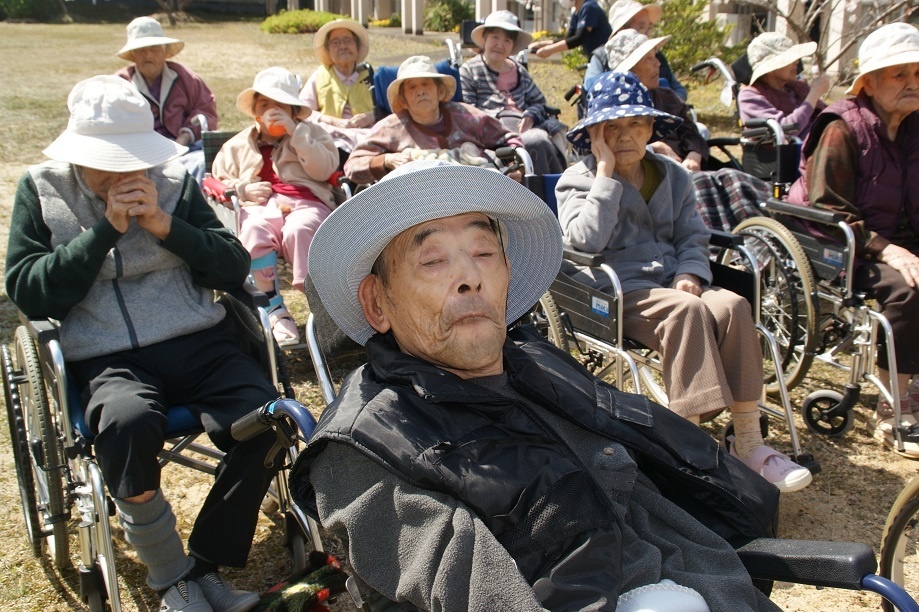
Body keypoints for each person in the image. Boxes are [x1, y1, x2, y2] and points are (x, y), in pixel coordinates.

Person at [293, 159, 783, 610]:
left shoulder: (536, 361)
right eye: (432, 261)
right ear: (377, 303)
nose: (470, 277)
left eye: (485, 251)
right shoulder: (362, 451)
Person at [5, 75, 280, 612]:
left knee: (266, 420)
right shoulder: (42, 189)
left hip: (197, 339)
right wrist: (103, 231)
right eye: (109, 161)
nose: (126, 172)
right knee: (126, 424)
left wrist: (164, 225)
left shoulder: (173, 181)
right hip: (104, 353)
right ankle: (170, 579)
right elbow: (30, 293)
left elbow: (231, 265)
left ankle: (202, 564)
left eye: (133, 159)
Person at [558, 72, 812, 492]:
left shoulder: (673, 176)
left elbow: (693, 236)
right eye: (612, 127)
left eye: (635, 124)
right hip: (618, 291)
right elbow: (584, 241)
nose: (625, 136)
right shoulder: (578, 179)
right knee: (688, 310)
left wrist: (690, 272)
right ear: (594, 134)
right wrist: (605, 176)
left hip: (674, 281)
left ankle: (747, 440)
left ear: (650, 128)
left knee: (732, 304)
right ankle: (686, 446)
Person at [785, 22, 919, 457]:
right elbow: (830, 211)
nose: (912, 85)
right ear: (870, 82)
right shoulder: (842, 128)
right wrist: (891, 249)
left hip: (898, 237)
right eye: (900, 75)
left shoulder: (916, 127)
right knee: (906, 289)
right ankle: (893, 408)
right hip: (842, 244)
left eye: (918, 75)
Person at [211, 67, 339, 347]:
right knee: (254, 227)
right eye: (264, 105)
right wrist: (242, 188)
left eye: (280, 105)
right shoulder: (238, 145)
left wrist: (296, 134)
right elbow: (216, 179)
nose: (272, 111)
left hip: (305, 201)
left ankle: (321, 307)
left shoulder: (312, 134)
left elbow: (324, 169)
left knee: (301, 228)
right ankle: (274, 308)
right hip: (259, 205)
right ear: (255, 113)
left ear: (294, 111)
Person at [344, 55, 522, 184]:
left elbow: (509, 140)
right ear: (403, 100)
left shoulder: (467, 116)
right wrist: (385, 160)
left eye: (426, 84)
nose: (420, 91)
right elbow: (352, 166)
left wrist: (516, 166)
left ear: (440, 91)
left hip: (475, 194)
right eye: (412, 87)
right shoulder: (390, 127)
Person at [460, 10, 568, 174]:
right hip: (490, 133)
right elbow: (467, 111)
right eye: (495, 37)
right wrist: (497, 125)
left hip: (524, 126)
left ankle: (549, 194)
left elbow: (539, 102)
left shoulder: (518, 70)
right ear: (485, 39)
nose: (500, 44)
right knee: (535, 142)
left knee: (540, 141)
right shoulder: (469, 70)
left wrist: (531, 114)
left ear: (512, 46)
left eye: (507, 40)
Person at [115, 16, 218, 184]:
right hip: (139, 153)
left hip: (183, 148)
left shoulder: (185, 77)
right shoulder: (120, 83)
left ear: (164, 51)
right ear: (133, 55)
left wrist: (185, 136)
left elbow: (206, 109)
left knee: (203, 163)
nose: (148, 55)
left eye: (154, 48)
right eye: (141, 50)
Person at [300, 19, 375, 166]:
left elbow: (390, 110)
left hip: (369, 137)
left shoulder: (371, 76)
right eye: (335, 42)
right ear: (328, 51)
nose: (343, 46)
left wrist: (370, 117)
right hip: (331, 141)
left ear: (357, 47)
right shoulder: (319, 77)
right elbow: (302, 111)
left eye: (348, 41)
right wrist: (333, 121)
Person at [738, 32, 830, 141]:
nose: (796, 61)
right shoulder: (749, 96)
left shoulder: (797, 88)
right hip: (791, 153)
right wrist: (814, 94)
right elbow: (785, 130)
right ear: (771, 68)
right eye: (789, 59)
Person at [605, 0, 686, 100]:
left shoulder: (658, 57)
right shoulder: (604, 59)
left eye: (650, 27)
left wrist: (671, 103)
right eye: (642, 27)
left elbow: (678, 88)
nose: (647, 34)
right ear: (622, 31)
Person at [531, 0, 612, 59]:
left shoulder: (589, 7)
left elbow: (579, 38)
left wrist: (550, 50)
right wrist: (542, 44)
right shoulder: (577, 13)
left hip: (605, 57)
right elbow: (569, 38)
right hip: (595, 58)